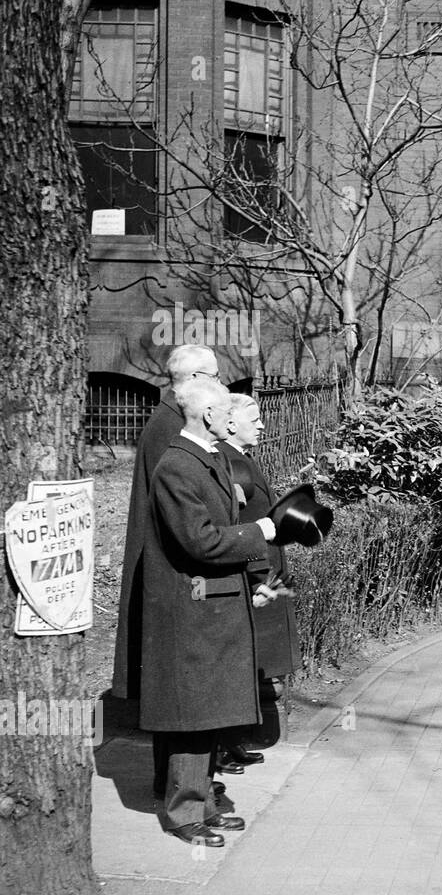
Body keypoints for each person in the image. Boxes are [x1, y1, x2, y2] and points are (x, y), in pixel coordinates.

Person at [140, 379, 278, 847]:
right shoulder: (178, 465)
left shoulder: (207, 456)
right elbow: (198, 540)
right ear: (207, 414)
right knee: (192, 713)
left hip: (214, 603)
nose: (231, 415)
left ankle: (204, 803)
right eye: (224, 408)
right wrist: (259, 531)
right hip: (194, 607)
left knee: (210, 710)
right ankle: (186, 814)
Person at [111, 345, 224, 798]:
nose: (223, 385)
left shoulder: (169, 418)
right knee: (176, 688)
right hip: (174, 573)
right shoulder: (173, 425)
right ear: (195, 378)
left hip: (175, 567)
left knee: (178, 688)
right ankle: (175, 787)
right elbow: (184, 512)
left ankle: (188, 783)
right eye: (216, 377)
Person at [215, 393, 301, 766]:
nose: (263, 425)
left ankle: (229, 742)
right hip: (253, 575)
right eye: (255, 418)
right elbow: (238, 525)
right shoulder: (230, 463)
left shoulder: (240, 458)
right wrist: (259, 579)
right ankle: (221, 748)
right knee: (235, 664)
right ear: (231, 423)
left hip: (260, 570)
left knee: (245, 664)